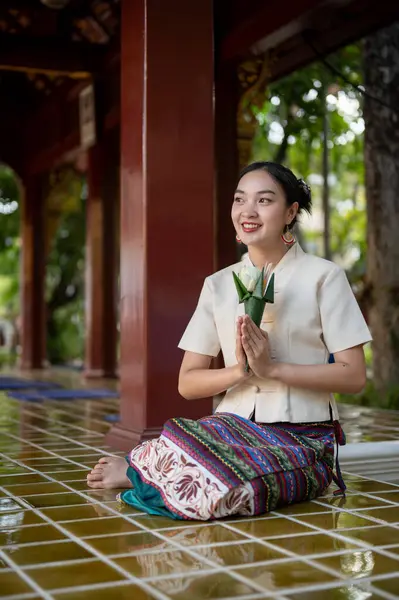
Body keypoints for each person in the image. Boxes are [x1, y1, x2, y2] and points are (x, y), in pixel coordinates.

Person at [87, 161, 371, 521]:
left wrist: (273, 369)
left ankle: (143, 474)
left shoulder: (324, 277)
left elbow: (354, 376)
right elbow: (188, 383)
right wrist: (240, 371)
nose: (248, 211)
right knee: (183, 438)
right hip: (231, 428)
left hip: (303, 436)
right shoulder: (218, 285)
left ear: (290, 212)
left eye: (264, 201)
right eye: (240, 200)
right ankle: (150, 470)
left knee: (229, 487)